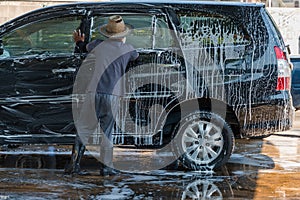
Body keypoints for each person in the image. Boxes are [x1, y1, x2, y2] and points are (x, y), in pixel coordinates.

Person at [65, 15, 139, 176]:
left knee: (83, 129)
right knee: (107, 132)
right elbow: (136, 57)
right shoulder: (128, 50)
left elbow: (84, 47)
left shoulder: (97, 45)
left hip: (93, 93)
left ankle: (73, 165)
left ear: (106, 33)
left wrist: (78, 41)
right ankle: (106, 168)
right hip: (113, 96)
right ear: (123, 35)